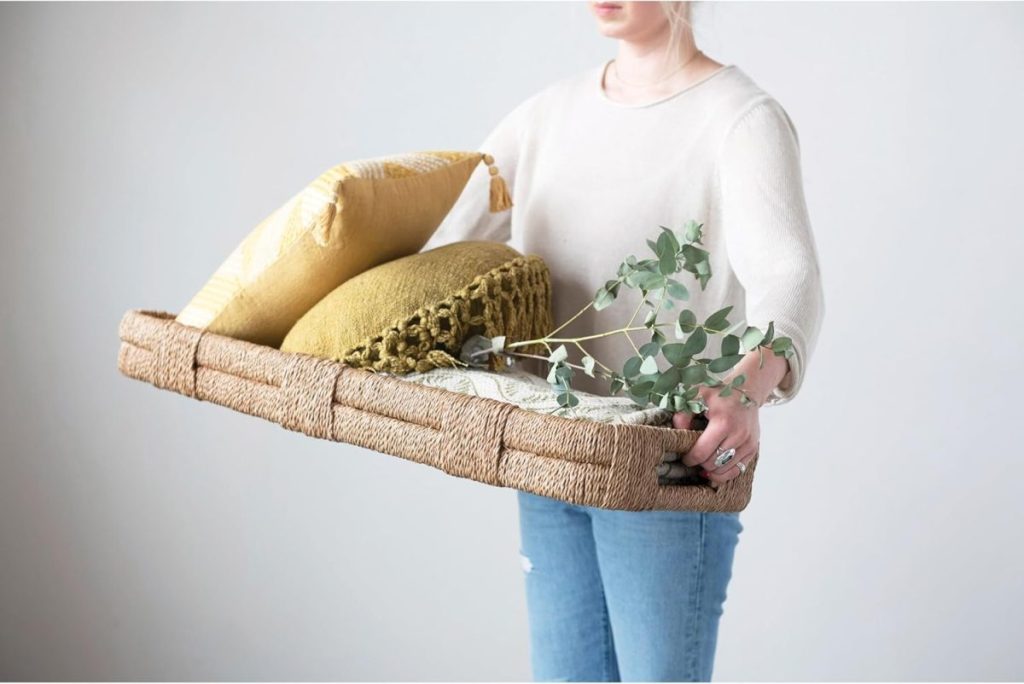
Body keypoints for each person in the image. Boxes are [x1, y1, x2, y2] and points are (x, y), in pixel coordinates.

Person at [422, 1, 826, 680]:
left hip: (664, 462)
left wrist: (742, 388)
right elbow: (438, 256)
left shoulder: (740, 119)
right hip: (547, 455)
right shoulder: (544, 118)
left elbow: (791, 277)